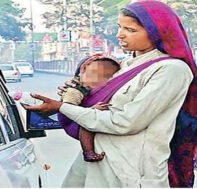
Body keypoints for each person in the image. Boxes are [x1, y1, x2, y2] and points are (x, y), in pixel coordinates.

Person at [25, 0, 197, 187]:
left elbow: (125, 122)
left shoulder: (171, 70)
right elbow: (98, 102)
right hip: (95, 163)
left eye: (131, 30)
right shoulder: (123, 66)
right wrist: (76, 96)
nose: (120, 35)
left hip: (129, 172)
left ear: (157, 33)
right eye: (120, 27)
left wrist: (62, 107)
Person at [60, 53, 120, 162]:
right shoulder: (75, 89)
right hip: (75, 120)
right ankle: (88, 152)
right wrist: (92, 109)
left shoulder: (99, 89)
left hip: (84, 115)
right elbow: (68, 110)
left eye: (107, 76)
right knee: (88, 124)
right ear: (82, 71)